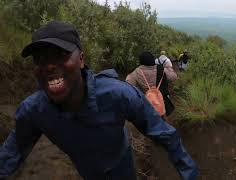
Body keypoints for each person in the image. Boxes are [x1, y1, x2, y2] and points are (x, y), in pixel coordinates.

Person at [0, 21, 198, 180]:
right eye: (40, 59)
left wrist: (189, 174)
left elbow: (165, 134)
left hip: (122, 165)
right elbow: (11, 154)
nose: (49, 66)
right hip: (87, 171)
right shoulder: (33, 111)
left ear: (81, 60)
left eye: (61, 54)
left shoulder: (119, 94)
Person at [126, 51, 177, 116]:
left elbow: (128, 84)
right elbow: (174, 77)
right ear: (153, 59)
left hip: (146, 103)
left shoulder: (136, 72)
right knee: (160, 118)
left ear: (141, 61)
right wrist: (169, 68)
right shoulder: (161, 69)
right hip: (160, 103)